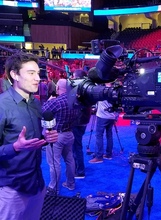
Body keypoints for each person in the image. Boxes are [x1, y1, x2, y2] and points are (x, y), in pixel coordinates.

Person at [0, 52, 58, 220]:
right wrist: (15, 147)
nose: (37, 78)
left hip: (37, 184)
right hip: (12, 189)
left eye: (38, 73)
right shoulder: (2, 106)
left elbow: (32, 141)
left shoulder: (35, 103)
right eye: (31, 73)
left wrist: (45, 139)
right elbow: (18, 145)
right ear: (14, 74)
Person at [42, 78, 80, 194]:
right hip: (69, 134)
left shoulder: (56, 102)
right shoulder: (74, 101)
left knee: (54, 163)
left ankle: (54, 188)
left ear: (57, 88)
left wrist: (49, 101)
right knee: (69, 160)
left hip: (56, 136)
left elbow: (42, 111)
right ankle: (71, 184)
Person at [89, 83, 118, 164]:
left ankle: (99, 156)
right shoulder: (115, 90)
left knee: (99, 135)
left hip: (102, 116)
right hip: (111, 116)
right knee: (109, 135)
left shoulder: (102, 90)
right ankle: (109, 154)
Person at [72, 69, 92, 179]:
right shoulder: (88, 88)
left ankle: (79, 171)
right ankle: (78, 168)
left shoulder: (80, 90)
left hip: (78, 121)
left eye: (74, 77)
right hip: (84, 121)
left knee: (76, 147)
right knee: (77, 146)